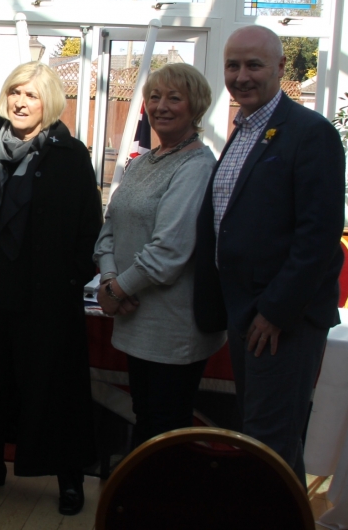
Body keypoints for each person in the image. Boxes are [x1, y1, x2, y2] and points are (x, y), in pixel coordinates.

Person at [0, 62, 102, 516]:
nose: (20, 102)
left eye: (30, 94)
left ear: (48, 101)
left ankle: (69, 478)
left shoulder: (70, 156)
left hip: (44, 302)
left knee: (54, 390)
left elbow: (89, 228)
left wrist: (68, 279)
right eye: (14, 93)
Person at [194, 25, 346, 486]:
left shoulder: (310, 134)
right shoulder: (243, 131)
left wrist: (276, 312)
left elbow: (318, 236)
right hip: (246, 314)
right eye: (232, 66)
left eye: (254, 65)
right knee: (268, 443)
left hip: (282, 321)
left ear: (282, 68)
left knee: (268, 443)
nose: (241, 76)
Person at [94, 64, 226, 447]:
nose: (161, 106)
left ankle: (163, 505)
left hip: (172, 329)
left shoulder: (197, 167)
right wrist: (107, 279)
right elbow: (109, 228)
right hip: (135, 321)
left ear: (196, 107)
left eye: (174, 97)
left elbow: (170, 251)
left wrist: (117, 290)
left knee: (165, 430)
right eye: (154, 96)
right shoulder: (142, 163)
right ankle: (142, 502)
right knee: (145, 419)